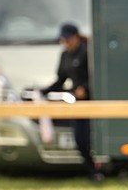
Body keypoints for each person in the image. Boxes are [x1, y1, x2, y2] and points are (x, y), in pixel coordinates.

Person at [43, 22, 102, 181]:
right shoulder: (65, 56)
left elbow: (98, 76)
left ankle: (97, 169)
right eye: (63, 40)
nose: (65, 43)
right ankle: (92, 169)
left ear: (76, 37)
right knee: (79, 139)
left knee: (91, 137)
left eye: (67, 39)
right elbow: (61, 79)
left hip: (92, 102)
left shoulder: (87, 52)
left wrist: (86, 89)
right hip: (76, 102)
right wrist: (44, 91)